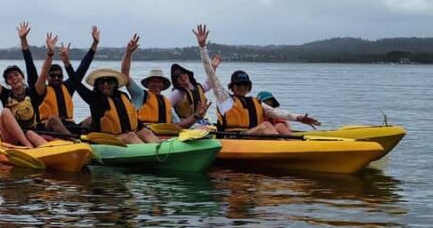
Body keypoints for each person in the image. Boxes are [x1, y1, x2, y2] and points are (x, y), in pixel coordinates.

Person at [191, 26, 321, 135]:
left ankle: (296, 146)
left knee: (280, 126)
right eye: (238, 85)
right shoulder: (225, 100)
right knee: (265, 125)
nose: (242, 87)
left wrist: (298, 118)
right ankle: (288, 146)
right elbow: (212, 78)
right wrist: (202, 48)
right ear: (232, 87)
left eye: (245, 85)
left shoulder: (256, 102)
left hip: (253, 136)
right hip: (235, 138)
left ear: (249, 87)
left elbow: (277, 113)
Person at [71, 35, 161, 144]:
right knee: (131, 136)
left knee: (145, 132)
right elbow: (77, 84)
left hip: (126, 136)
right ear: (96, 85)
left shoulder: (123, 96)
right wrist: (67, 64)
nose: (105, 84)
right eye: (101, 82)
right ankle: (151, 154)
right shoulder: (96, 99)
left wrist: (143, 130)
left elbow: (134, 121)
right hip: (108, 140)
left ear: (115, 84)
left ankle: (162, 150)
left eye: (109, 81)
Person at [18, 21, 100, 135]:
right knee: (53, 119)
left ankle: (105, 140)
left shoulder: (67, 87)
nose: (56, 78)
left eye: (59, 76)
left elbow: (83, 67)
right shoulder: (40, 91)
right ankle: (74, 141)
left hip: (70, 126)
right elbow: (30, 65)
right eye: (53, 75)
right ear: (47, 77)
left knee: (94, 118)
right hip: (48, 128)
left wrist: (95, 44)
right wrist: (24, 41)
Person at [120, 34, 201, 129]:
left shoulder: (167, 104)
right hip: (142, 135)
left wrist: (196, 116)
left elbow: (178, 126)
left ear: (163, 85)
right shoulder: (140, 94)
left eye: (159, 82)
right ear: (148, 84)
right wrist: (129, 53)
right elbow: (125, 74)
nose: (156, 84)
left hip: (163, 137)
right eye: (153, 81)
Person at [0, 36, 48, 147]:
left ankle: (50, 150)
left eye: (16, 75)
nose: (14, 78)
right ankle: (28, 146)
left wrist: (49, 54)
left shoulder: (32, 93)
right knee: (5, 112)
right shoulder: (5, 95)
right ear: (8, 82)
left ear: (22, 77)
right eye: (10, 77)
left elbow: (43, 73)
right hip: (11, 139)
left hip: (30, 134)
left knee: (31, 133)